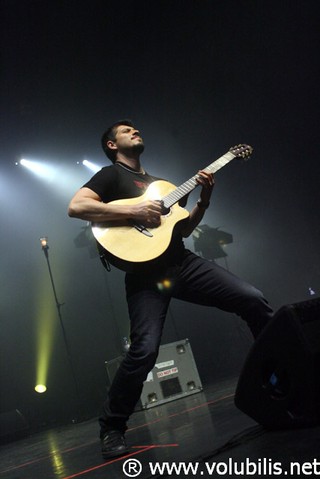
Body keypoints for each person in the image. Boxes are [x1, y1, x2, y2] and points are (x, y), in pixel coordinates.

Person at [68, 119, 273, 459]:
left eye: (136, 128)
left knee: (253, 299)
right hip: (145, 275)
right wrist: (135, 209)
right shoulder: (110, 176)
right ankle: (112, 427)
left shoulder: (159, 184)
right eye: (126, 131)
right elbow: (76, 207)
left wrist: (203, 201)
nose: (135, 131)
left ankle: (275, 378)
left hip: (182, 263)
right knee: (145, 350)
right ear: (112, 146)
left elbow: (183, 229)